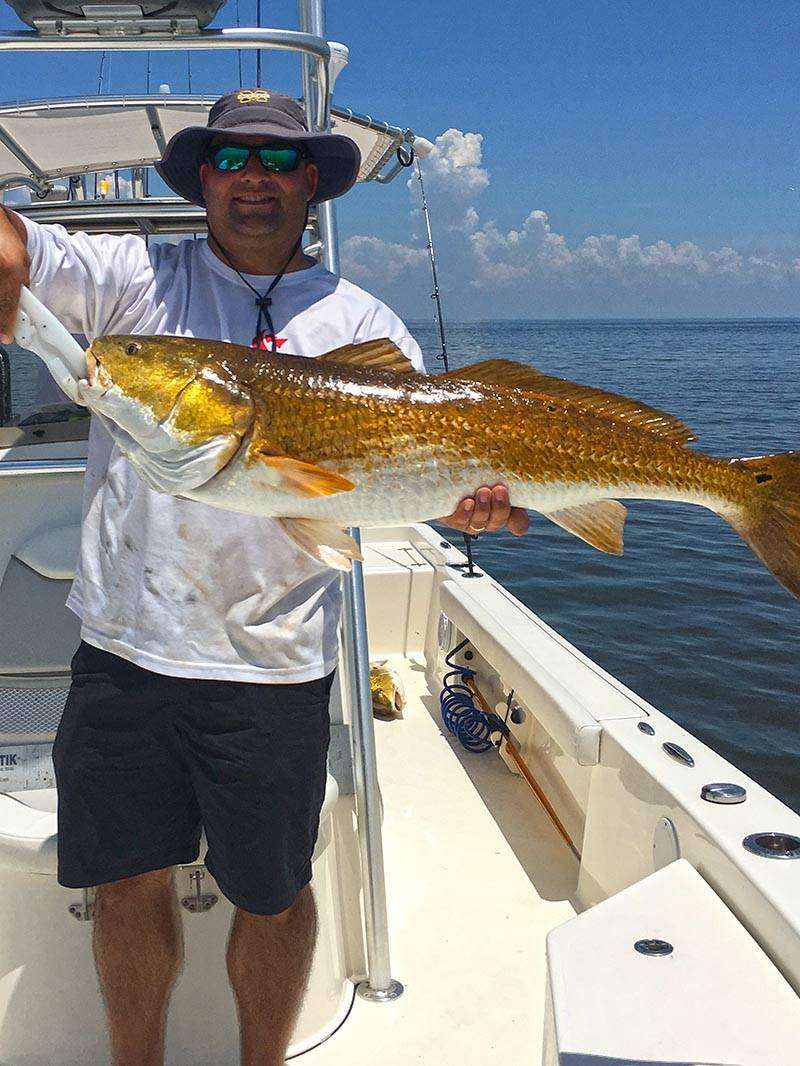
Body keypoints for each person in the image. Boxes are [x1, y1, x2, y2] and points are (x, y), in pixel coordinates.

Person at [0, 89, 528, 1066]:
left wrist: (474, 503)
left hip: (277, 667)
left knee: (275, 893)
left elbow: (415, 485)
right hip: (124, 653)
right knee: (123, 883)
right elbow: (17, 255)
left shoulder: (364, 324)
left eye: (280, 162)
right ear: (202, 176)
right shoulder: (131, 282)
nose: (254, 177)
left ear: (311, 184)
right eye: (234, 157)